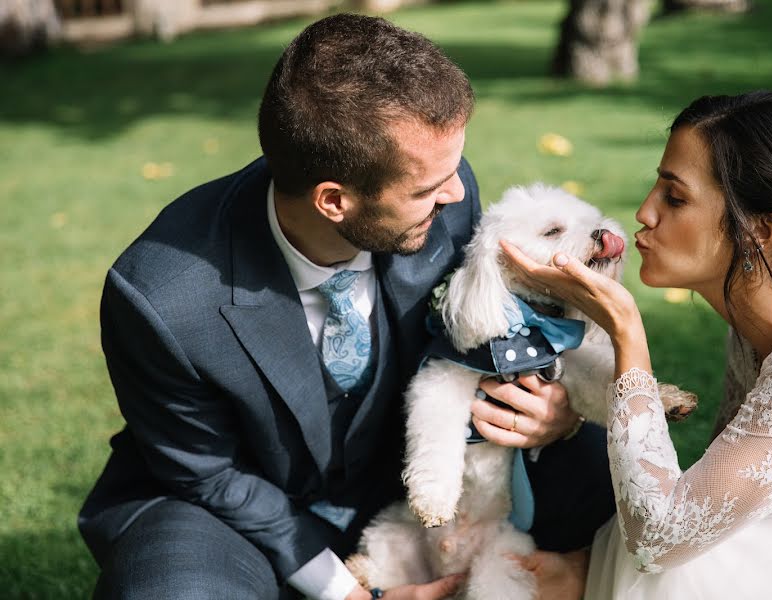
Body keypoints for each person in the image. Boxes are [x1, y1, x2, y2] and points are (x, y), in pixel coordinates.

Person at [78, 13, 616, 600]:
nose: (457, 193)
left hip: (415, 470)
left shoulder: (444, 192)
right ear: (333, 200)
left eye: (453, 171)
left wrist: (558, 416)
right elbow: (207, 474)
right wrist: (344, 591)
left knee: (616, 486)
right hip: (224, 507)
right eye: (426, 190)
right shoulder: (162, 296)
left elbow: (498, 326)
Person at [502, 91, 772, 599]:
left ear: (761, 230)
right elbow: (718, 501)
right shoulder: (759, 321)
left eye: (675, 197)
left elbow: (662, 539)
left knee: (686, 563)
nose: (644, 212)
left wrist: (626, 330)